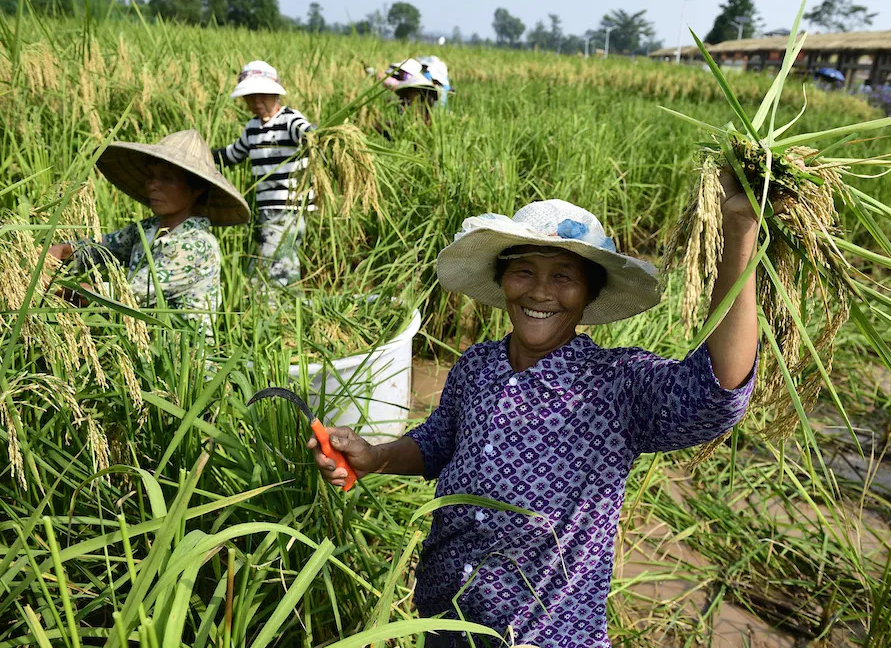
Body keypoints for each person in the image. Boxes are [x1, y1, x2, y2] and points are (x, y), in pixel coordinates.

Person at [309, 181, 762, 646]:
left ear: (589, 293)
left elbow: (715, 390)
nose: (540, 292)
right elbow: (439, 442)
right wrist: (372, 457)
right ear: (503, 280)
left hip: (543, 635)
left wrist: (740, 227)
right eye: (523, 271)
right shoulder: (477, 365)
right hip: (444, 617)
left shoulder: (616, 384)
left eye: (564, 276)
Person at [47, 130, 250, 334]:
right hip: (143, 347)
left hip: (184, 358)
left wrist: (51, 288)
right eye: (152, 176)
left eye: (166, 178)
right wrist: (59, 251)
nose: (153, 185)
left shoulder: (196, 245)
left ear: (197, 188)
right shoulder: (147, 229)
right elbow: (98, 249)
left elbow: (126, 294)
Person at [213, 61, 314, 288]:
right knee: (269, 260)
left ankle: (285, 307)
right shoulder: (252, 128)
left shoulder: (289, 119)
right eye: (250, 97)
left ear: (275, 94)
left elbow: (307, 132)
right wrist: (201, 156)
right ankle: (270, 303)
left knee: (278, 262)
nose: (256, 102)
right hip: (266, 208)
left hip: (289, 208)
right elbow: (232, 154)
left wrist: (318, 134)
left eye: (262, 95)